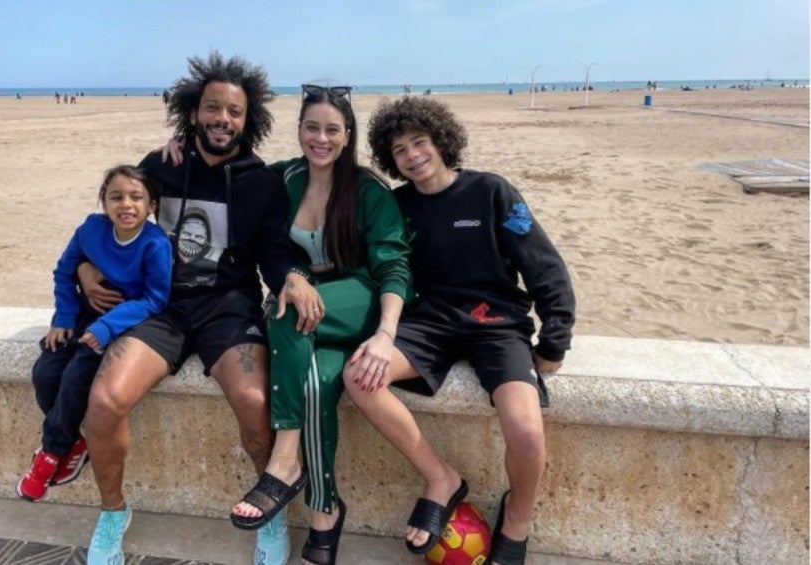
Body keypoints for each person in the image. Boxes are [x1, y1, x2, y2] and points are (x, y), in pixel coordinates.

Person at [75, 51, 319, 565]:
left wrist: (292, 278)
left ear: (248, 121)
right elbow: (118, 225)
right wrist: (84, 269)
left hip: (227, 306)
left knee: (256, 404)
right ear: (192, 112)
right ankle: (113, 512)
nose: (222, 120)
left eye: (234, 112)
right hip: (157, 305)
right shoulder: (158, 166)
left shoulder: (263, 183)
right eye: (213, 108)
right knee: (104, 402)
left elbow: (274, 253)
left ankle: (268, 513)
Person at [166, 84, 411, 565]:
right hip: (308, 307)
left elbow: (394, 267)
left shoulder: (368, 191)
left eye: (332, 130)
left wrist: (386, 334)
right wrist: (178, 147)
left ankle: (284, 460)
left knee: (285, 307)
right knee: (318, 384)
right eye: (311, 127)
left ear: (347, 135)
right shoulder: (283, 176)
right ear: (299, 131)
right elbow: (226, 170)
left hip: (357, 297)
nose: (321, 138)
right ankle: (324, 510)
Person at [354, 96, 575, 565]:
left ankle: (516, 519)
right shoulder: (396, 206)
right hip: (428, 323)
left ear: (441, 141)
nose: (413, 156)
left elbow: (544, 265)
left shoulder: (493, 192)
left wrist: (555, 338)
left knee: (526, 431)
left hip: (496, 325)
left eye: (420, 142)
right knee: (359, 378)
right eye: (399, 151)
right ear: (389, 160)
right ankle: (442, 478)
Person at [16, 165, 172, 504]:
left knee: (76, 376)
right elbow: (63, 270)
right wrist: (64, 317)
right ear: (103, 202)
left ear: (152, 206)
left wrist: (105, 328)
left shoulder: (155, 244)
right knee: (45, 373)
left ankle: (50, 453)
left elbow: (155, 299)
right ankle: (73, 442)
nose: (126, 205)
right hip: (82, 314)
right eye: (116, 197)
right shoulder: (91, 230)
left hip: (121, 322)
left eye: (136, 197)